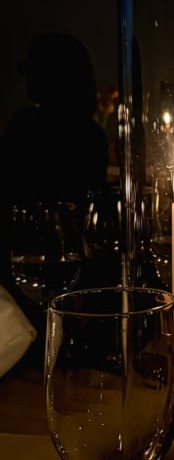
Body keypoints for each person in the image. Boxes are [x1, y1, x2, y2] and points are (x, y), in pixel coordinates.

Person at [0, 33, 110, 297]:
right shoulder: (92, 135)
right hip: (77, 272)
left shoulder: (24, 127)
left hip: (25, 266)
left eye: (33, 73)